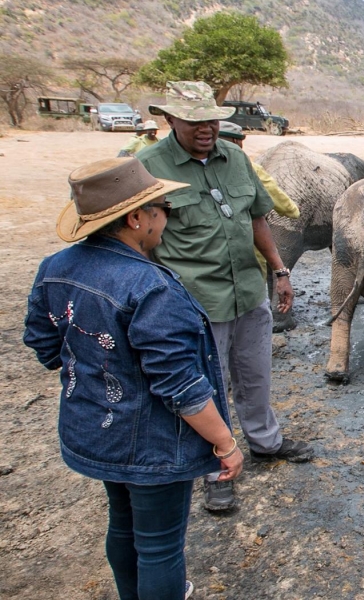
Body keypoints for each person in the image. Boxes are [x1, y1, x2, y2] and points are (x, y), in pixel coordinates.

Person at [24, 157, 243, 600]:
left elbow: (44, 343)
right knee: (160, 546)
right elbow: (180, 386)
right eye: (163, 208)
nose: (166, 219)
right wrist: (225, 442)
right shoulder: (152, 287)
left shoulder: (54, 267)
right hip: (154, 447)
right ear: (136, 218)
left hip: (96, 429)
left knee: (122, 523)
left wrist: (93, 368)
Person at [137, 81, 313, 513]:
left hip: (249, 291)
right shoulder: (147, 167)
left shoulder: (235, 158)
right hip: (195, 300)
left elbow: (257, 217)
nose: (205, 128)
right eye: (194, 120)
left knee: (255, 373)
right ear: (170, 120)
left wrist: (279, 269)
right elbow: (137, 239)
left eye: (211, 119)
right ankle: (215, 468)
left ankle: (266, 442)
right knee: (206, 385)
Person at [216, 120, 301, 277]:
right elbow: (285, 205)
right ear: (236, 141)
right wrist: (294, 210)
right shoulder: (249, 168)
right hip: (246, 255)